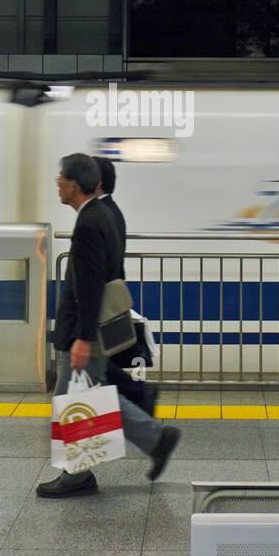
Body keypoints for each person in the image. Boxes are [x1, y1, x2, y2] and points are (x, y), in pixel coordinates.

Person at [37, 153, 179, 498]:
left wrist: (83, 338)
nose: (57, 183)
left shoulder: (89, 222)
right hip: (95, 328)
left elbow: (89, 287)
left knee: (72, 397)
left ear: (74, 184)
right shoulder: (103, 214)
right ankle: (154, 439)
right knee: (92, 393)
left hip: (88, 330)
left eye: (61, 178)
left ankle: (78, 476)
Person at [94, 157, 160, 417]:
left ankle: (139, 395)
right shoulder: (111, 209)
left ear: (95, 182)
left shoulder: (101, 214)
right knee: (98, 365)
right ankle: (137, 400)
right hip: (107, 299)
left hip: (103, 303)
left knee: (97, 365)